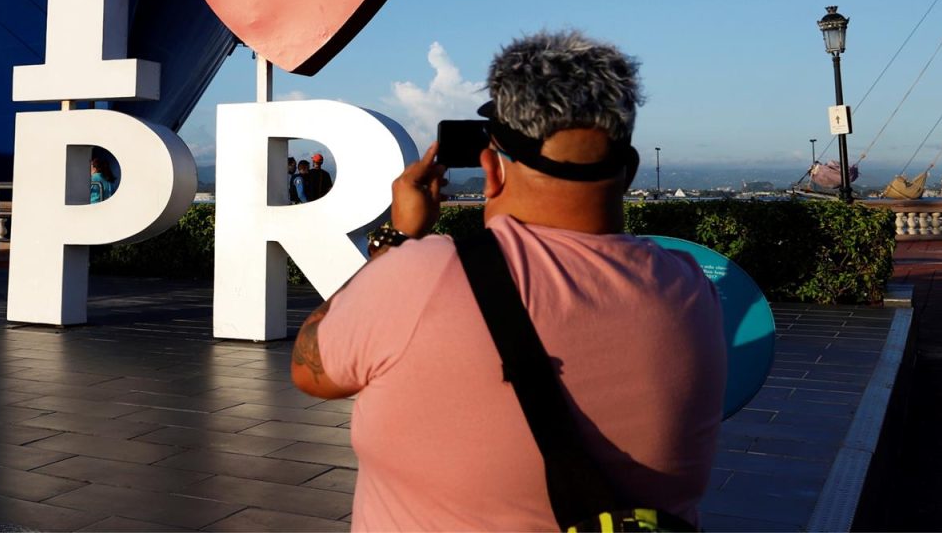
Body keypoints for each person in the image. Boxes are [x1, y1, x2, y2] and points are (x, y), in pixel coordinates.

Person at [291, 31, 726, 531]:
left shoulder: (422, 276)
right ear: (627, 172)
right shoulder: (691, 290)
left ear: (491, 170)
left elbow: (311, 369)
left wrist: (397, 237)